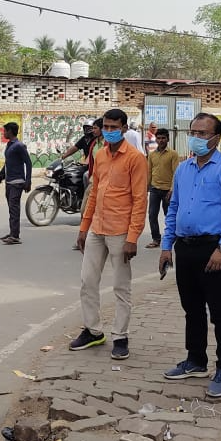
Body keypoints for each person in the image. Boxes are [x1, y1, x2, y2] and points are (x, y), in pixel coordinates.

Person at [158, 114, 221, 398]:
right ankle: (195, 360)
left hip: (213, 248)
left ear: (216, 137)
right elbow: (174, 209)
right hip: (185, 247)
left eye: (202, 133)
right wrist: (166, 245)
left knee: (219, 310)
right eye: (192, 132)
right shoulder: (183, 169)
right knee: (191, 308)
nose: (195, 137)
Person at [70, 108, 148, 360]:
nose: (109, 132)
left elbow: (139, 201)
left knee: (120, 286)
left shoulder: (136, 159)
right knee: (87, 281)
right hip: (96, 229)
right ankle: (93, 331)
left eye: (114, 127)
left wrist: (132, 238)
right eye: (106, 127)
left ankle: (120, 336)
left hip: (120, 232)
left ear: (125, 128)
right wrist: (83, 228)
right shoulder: (100, 155)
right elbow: (93, 193)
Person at [61, 118, 102, 250]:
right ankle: (84, 239)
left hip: (103, 181)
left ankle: (96, 241)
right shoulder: (92, 142)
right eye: (89, 128)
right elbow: (75, 148)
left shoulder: (107, 144)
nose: (89, 130)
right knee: (85, 210)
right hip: (93, 179)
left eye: (94, 128)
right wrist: (64, 156)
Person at [0, 122, 33, 245]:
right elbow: (7, 165)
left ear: (10, 131)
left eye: (5, 131)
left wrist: (28, 181)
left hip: (17, 182)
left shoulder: (19, 146)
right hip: (9, 182)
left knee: (14, 208)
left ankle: (15, 236)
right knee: (11, 209)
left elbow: (28, 163)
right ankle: (13, 232)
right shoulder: (10, 145)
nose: (4, 133)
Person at [144, 128, 181, 248]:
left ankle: (171, 237)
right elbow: (149, 172)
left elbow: (176, 173)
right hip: (154, 189)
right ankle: (156, 239)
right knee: (152, 215)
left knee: (169, 215)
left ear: (168, 139)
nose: (161, 140)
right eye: (158, 138)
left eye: (163, 138)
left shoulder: (173, 154)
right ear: (155, 139)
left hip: (167, 191)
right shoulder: (152, 155)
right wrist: (146, 188)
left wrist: (172, 189)